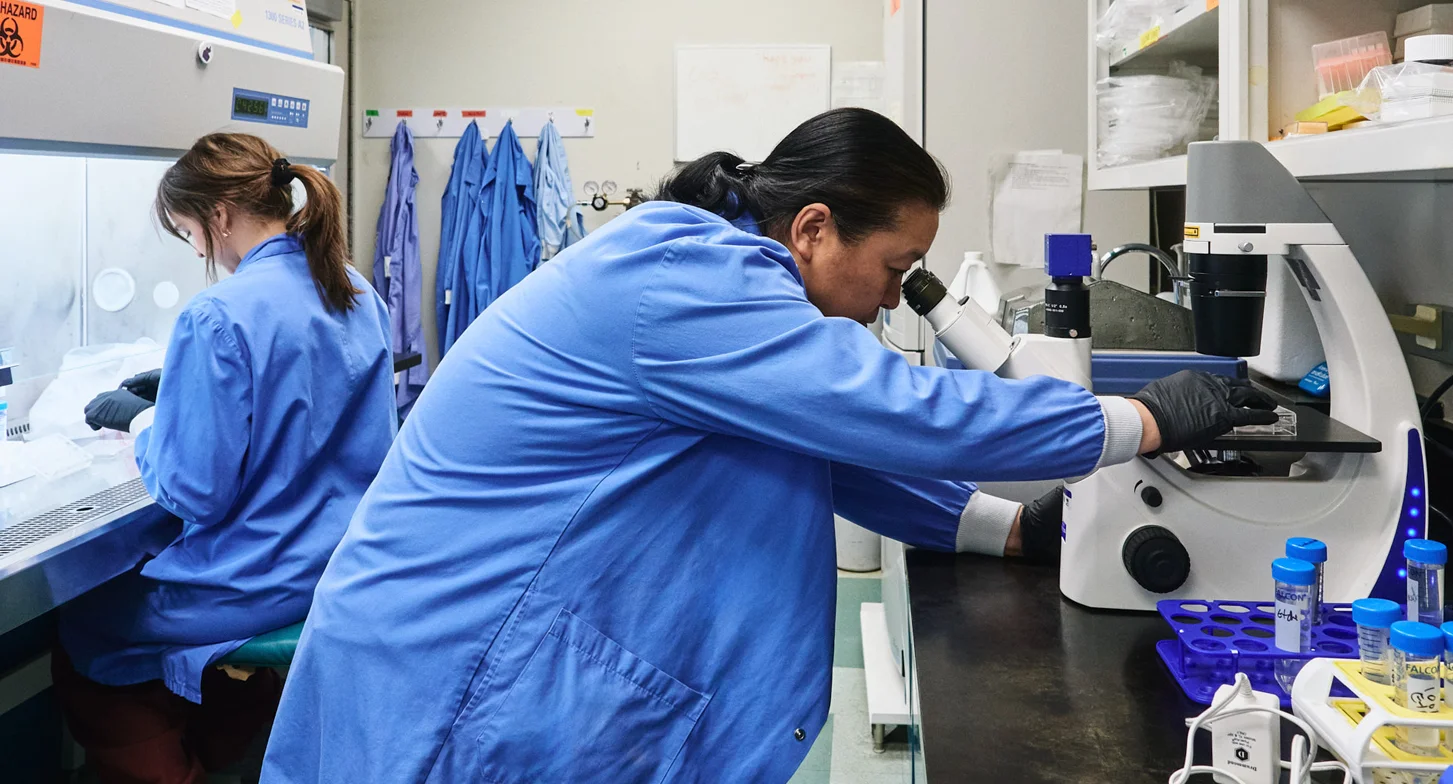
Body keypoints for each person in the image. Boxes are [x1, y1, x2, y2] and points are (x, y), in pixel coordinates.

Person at [262, 109, 1275, 784]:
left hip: (477, 640)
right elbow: (890, 411)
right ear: (814, 230)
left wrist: (1003, 531)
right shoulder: (682, 282)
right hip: (450, 664)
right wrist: (1135, 421)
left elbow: (817, 449)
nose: (896, 294)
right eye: (895, 266)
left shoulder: (716, 280)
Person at [60, 133, 398, 783]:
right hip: (340, 566)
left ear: (217, 217)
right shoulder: (351, 287)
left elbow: (194, 492)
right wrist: (184, 387)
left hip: (258, 579)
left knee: (87, 623)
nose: (195, 251)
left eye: (187, 231)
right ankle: (226, 750)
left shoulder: (217, 313)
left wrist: (147, 421)